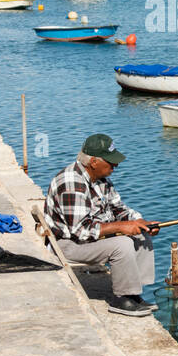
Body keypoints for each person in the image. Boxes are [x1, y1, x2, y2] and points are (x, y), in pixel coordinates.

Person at [44, 134, 159, 317]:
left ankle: (134, 293)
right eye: (111, 163)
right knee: (122, 244)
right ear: (94, 162)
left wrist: (138, 221)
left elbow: (118, 208)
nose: (115, 166)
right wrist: (121, 228)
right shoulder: (71, 183)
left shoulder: (101, 178)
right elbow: (80, 231)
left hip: (90, 236)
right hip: (68, 244)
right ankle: (121, 300)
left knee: (141, 234)